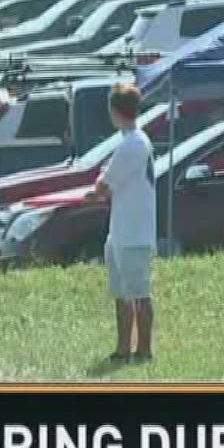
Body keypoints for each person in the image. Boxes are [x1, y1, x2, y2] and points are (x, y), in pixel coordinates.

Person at [90, 82, 155, 363]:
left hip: (134, 230)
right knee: (121, 293)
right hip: (120, 228)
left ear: (115, 110)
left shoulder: (134, 144)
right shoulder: (129, 142)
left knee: (140, 293)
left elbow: (103, 185)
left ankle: (144, 349)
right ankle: (122, 348)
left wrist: (98, 186)